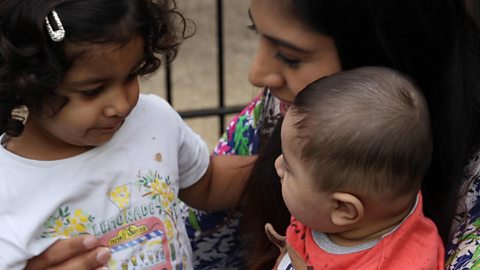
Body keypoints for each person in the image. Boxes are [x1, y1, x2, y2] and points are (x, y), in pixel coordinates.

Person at [27, 0, 480, 269]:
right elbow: (197, 208)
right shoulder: (289, 112)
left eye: (290, 55)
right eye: (255, 34)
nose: (257, 72)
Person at [0, 1, 254, 269]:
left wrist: (283, 164)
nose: (121, 105)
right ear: (27, 83)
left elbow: (208, 183)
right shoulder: (7, 184)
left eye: (131, 75)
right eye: (92, 91)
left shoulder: (153, 120)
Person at [268, 66, 443, 269]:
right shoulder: (329, 209)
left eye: (289, 168)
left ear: (343, 209)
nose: (277, 165)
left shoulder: (402, 264)